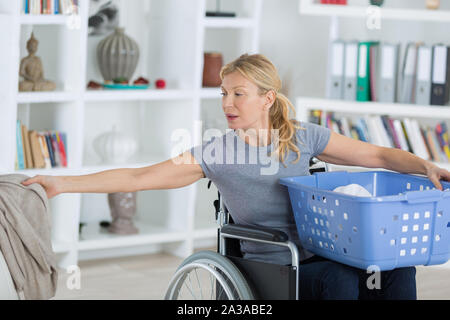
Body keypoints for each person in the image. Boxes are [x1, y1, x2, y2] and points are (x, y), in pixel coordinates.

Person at [22, 53, 450, 300]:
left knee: (397, 270)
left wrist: (425, 166)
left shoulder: (301, 136)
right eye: (223, 93)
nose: (227, 103)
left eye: (237, 94)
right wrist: (64, 183)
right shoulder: (217, 151)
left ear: (267, 98)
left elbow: (375, 153)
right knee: (339, 281)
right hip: (273, 262)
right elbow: (139, 177)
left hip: (326, 248)